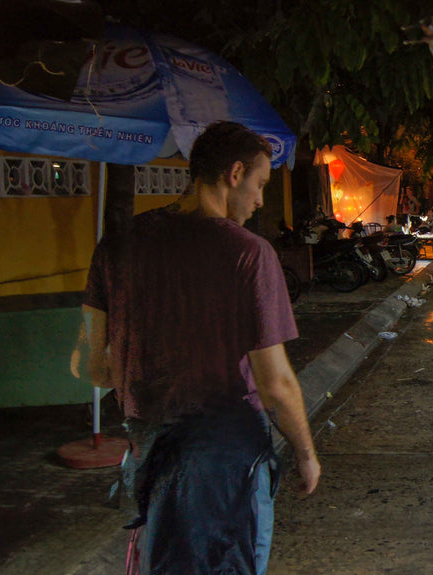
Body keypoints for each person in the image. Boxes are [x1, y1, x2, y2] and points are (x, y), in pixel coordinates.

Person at [77, 121, 320, 574]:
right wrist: (306, 454)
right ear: (234, 173)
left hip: (151, 456)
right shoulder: (249, 254)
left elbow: (92, 366)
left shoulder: (117, 245)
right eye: (261, 184)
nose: (261, 200)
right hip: (228, 463)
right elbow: (276, 384)